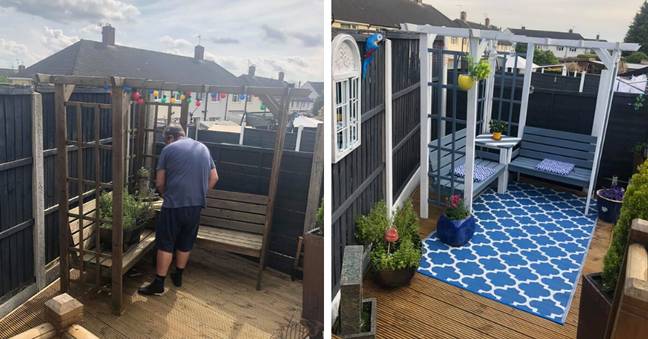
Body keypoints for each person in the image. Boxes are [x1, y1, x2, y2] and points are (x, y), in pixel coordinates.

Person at [138, 125, 218, 295]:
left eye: (164, 139)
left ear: (170, 137)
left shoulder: (169, 149)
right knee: (185, 241)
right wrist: (198, 194)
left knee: (166, 243)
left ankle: (159, 283)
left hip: (174, 205)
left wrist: (167, 195)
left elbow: (159, 182)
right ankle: (178, 275)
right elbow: (214, 177)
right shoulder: (203, 148)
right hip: (196, 206)